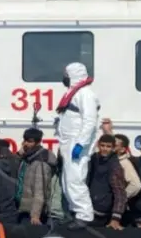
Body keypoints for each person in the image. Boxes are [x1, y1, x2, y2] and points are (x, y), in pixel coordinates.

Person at [54, 61, 100, 229]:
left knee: (75, 179)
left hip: (76, 142)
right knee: (67, 180)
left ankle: (84, 214)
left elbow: (90, 121)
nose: (64, 79)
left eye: (66, 76)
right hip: (68, 141)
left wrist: (81, 144)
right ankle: (74, 212)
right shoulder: (73, 93)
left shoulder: (85, 94)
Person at [86, 134, 126, 230]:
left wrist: (116, 217)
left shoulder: (114, 165)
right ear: (98, 145)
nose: (105, 149)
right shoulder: (93, 158)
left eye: (108, 146)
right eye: (103, 145)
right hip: (87, 207)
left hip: (101, 211)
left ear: (113, 148)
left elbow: (120, 193)